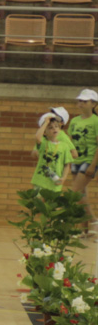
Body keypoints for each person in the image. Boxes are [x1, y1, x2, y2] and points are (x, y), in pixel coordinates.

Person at [67, 89, 98, 233]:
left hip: (89, 160)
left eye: (84, 101)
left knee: (75, 192)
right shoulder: (74, 121)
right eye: (80, 101)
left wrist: (93, 165)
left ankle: (94, 221)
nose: (81, 103)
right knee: (81, 195)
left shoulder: (96, 121)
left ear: (93, 104)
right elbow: (70, 143)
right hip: (76, 160)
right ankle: (85, 230)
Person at [32, 112, 73, 193]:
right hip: (40, 180)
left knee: (52, 204)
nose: (54, 129)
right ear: (44, 132)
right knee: (39, 203)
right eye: (50, 128)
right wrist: (46, 122)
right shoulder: (44, 143)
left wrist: (64, 178)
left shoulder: (64, 146)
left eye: (56, 126)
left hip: (55, 181)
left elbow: (67, 165)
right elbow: (37, 137)